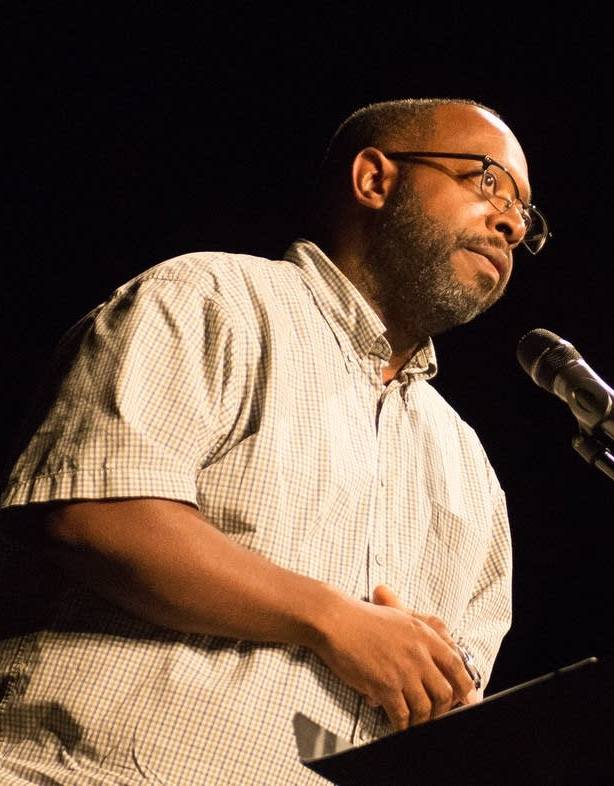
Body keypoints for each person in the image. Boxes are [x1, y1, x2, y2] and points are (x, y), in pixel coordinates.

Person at [0, 97, 547, 784]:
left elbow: (448, 703)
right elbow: (94, 514)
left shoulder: (468, 466)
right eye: (485, 181)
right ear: (375, 180)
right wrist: (330, 619)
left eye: (524, 213)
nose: (508, 221)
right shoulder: (211, 298)